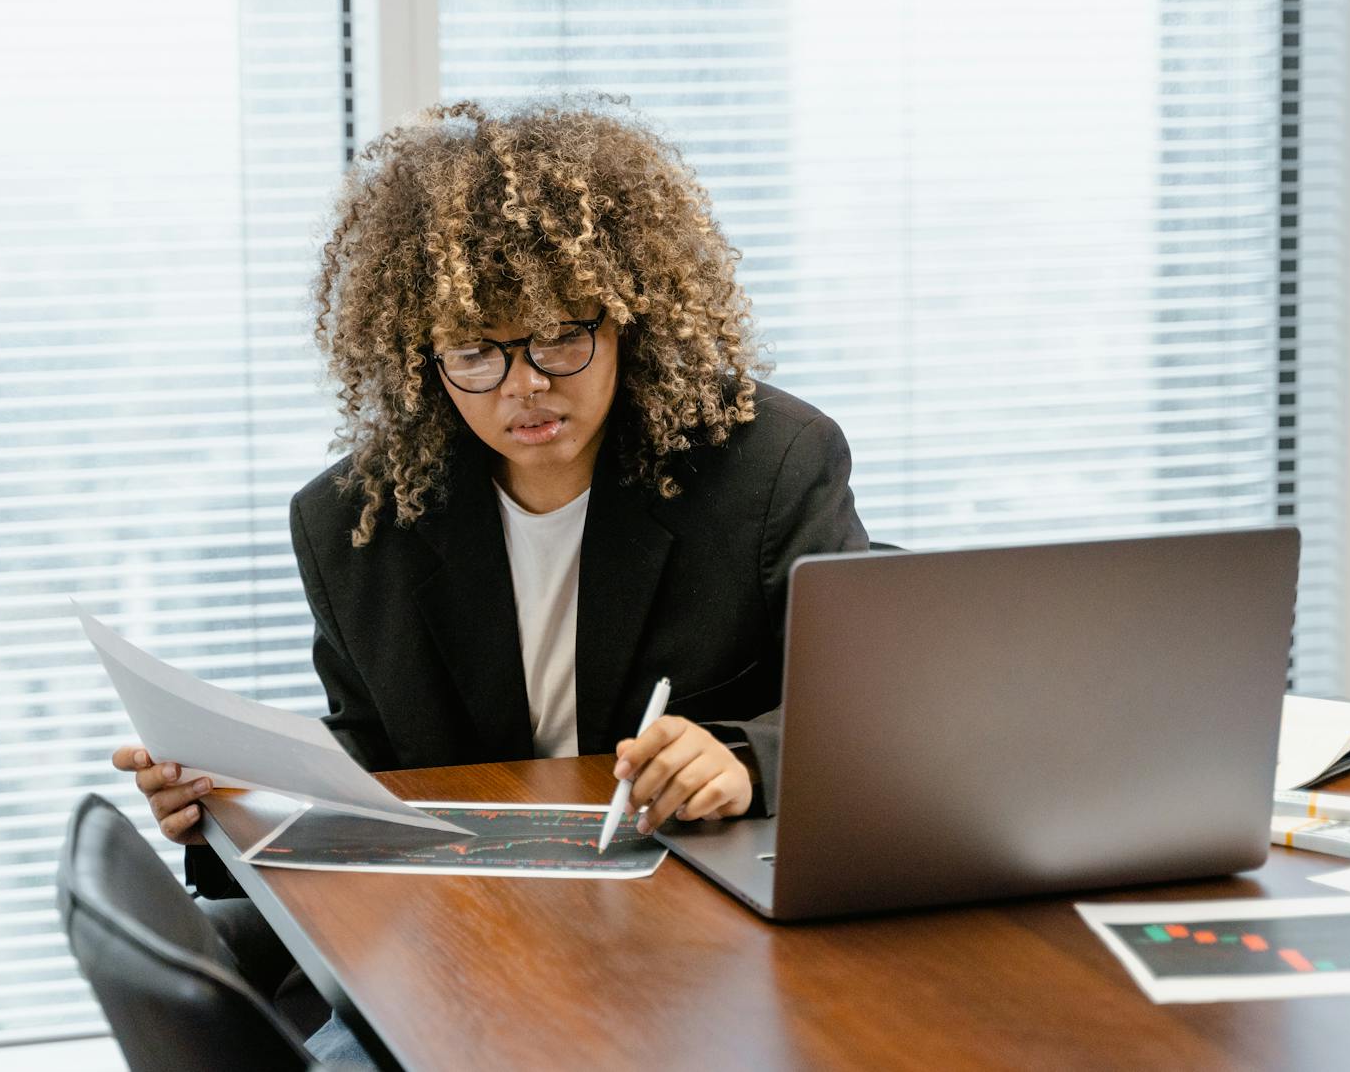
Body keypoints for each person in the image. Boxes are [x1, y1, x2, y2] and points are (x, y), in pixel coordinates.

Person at [110, 96, 868, 1061]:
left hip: (695, 941)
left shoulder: (768, 467)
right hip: (460, 941)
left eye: (560, 336)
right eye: (476, 351)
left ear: (626, 311)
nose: (525, 385)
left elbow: (869, 717)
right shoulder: (355, 524)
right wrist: (229, 797)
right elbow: (378, 761)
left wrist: (747, 760)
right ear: (425, 356)